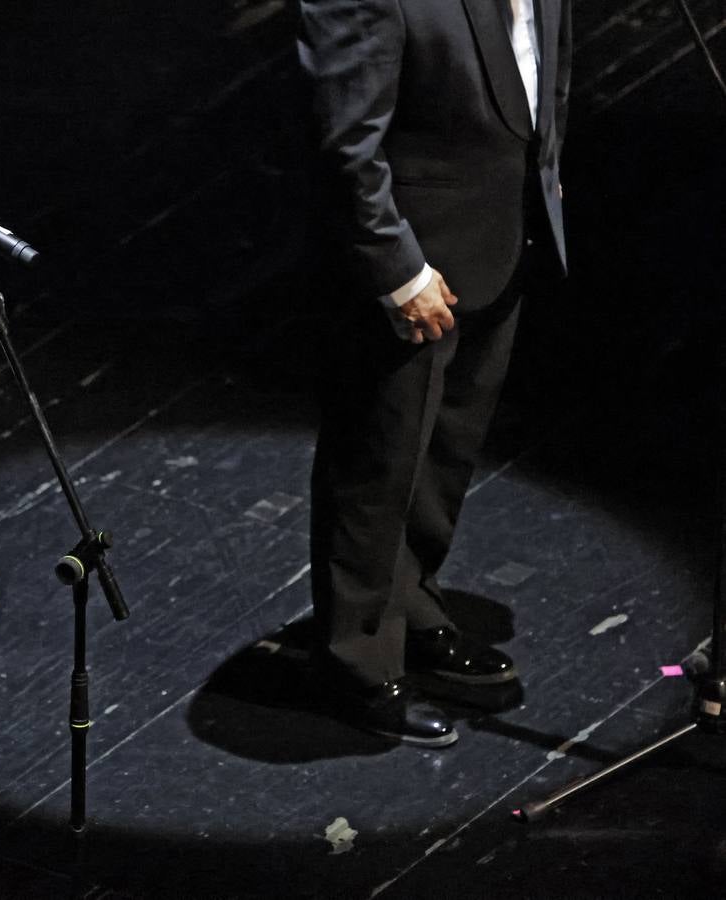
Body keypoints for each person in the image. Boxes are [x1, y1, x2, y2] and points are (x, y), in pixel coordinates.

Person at [298, 0, 570, 745]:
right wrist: (396, 267)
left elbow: (546, 73)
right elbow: (344, 140)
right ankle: (355, 664)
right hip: (408, 263)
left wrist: (543, 182)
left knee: (444, 452)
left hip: (499, 238)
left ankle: (412, 607)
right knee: (378, 461)